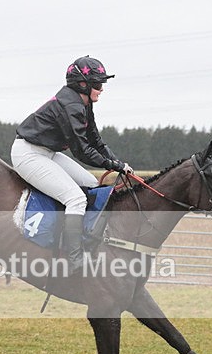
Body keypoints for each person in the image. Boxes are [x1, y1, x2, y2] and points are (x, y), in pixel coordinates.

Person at [11, 55, 133, 271]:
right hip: (28, 154)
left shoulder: (83, 103)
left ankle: (85, 239)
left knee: (91, 184)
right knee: (76, 198)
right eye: (97, 83)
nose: (102, 88)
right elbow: (83, 151)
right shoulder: (71, 105)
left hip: (47, 152)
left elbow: (96, 141)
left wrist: (118, 162)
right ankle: (74, 257)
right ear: (82, 84)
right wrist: (113, 166)